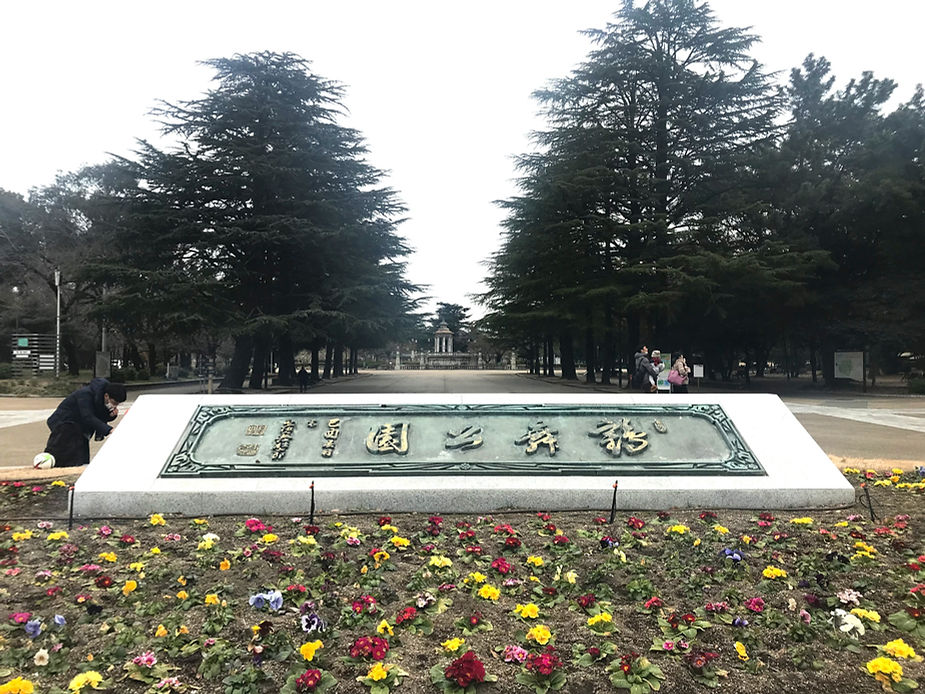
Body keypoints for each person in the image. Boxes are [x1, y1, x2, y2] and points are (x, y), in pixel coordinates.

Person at [44, 378, 127, 467]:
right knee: (63, 456)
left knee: (82, 458)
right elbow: (88, 417)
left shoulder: (99, 397)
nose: (115, 405)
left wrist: (111, 416)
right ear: (106, 396)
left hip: (79, 429)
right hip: (64, 425)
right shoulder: (85, 394)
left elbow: (98, 416)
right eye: (114, 402)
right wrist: (109, 430)